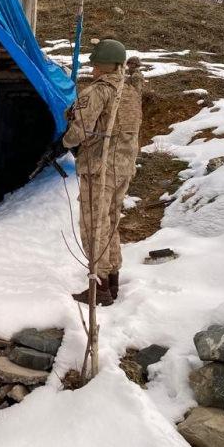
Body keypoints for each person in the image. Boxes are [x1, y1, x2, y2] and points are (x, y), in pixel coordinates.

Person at [63, 39, 142, 306]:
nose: (93, 69)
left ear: (103, 64)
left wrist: (64, 141)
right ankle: (113, 281)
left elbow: (80, 131)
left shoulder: (98, 91)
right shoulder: (131, 92)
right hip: (123, 168)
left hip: (99, 167)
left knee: (94, 226)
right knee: (110, 224)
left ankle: (100, 288)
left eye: (95, 64)